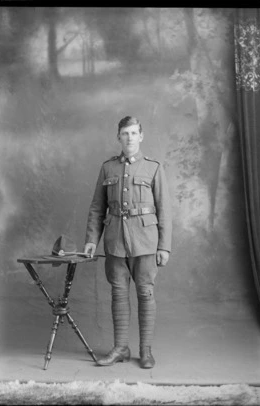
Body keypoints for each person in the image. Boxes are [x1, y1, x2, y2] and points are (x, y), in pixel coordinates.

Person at [84, 116, 172, 369]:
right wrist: (91, 240)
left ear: (141, 136)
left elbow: (164, 209)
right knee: (119, 294)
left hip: (145, 242)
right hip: (115, 242)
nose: (130, 138)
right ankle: (121, 348)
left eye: (134, 133)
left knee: (145, 293)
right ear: (118, 137)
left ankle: (146, 351)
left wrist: (164, 246)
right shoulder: (108, 168)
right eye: (125, 133)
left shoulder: (154, 168)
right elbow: (97, 208)